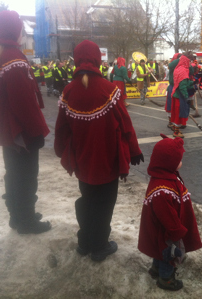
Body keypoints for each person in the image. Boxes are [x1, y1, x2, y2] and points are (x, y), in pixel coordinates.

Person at [54, 40, 143, 261]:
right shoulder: (109, 89)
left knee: (87, 199)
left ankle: (85, 241)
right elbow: (125, 124)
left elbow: (61, 129)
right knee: (105, 204)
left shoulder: (68, 91)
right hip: (107, 160)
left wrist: (61, 151)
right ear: (97, 59)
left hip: (82, 160)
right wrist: (133, 150)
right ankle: (100, 245)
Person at [0, 10, 51, 233]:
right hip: (21, 132)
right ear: (14, 31)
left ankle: (18, 215)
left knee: (13, 174)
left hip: (9, 133)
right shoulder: (14, 58)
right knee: (26, 176)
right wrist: (36, 132)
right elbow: (24, 102)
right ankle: (26, 220)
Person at [138, 134, 202, 291]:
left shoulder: (166, 177)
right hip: (167, 232)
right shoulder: (162, 189)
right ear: (169, 163)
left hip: (165, 230)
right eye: (178, 160)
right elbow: (165, 214)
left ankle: (155, 269)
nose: (181, 163)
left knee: (160, 251)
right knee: (169, 255)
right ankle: (165, 279)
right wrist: (176, 231)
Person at [170, 55, 193, 138]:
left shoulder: (178, 68)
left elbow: (183, 82)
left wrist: (191, 83)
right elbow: (183, 86)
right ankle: (176, 132)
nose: (189, 63)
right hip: (180, 96)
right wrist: (187, 97)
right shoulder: (184, 71)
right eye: (188, 61)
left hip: (175, 94)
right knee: (179, 113)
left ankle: (176, 128)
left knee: (176, 113)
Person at [166, 53, 182, 129]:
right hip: (173, 87)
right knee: (171, 105)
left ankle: (177, 122)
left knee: (179, 107)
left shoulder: (182, 66)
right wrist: (179, 59)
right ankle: (171, 122)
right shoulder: (173, 65)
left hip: (180, 88)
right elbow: (170, 65)